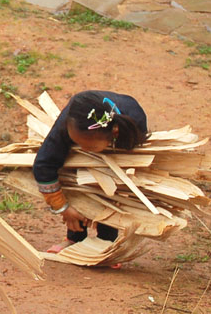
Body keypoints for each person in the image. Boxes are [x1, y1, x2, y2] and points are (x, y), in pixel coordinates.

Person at [32, 90, 148, 255]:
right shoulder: (68, 124)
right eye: (77, 143)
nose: (83, 150)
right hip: (82, 128)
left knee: (110, 186)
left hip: (118, 148)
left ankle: (106, 241)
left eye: (89, 147)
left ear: (113, 134)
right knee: (77, 178)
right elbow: (43, 165)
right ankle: (75, 238)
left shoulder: (134, 126)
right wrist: (63, 207)